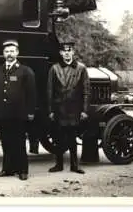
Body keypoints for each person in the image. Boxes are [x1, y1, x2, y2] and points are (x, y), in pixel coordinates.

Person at [0, 39, 37, 180]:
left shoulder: (26, 71)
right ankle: (8, 169)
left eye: (12, 51)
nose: (9, 54)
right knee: (6, 142)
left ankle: (23, 170)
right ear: (3, 54)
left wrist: (30, 112)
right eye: (6, 52)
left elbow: (32, 93)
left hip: (19, 114)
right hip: (3, 113)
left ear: (17, 52)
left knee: (19, 142)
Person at [47, 41, 90, 174]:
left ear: (73, 52)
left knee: (72, 139)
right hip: (59, 109)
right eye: (64, 51)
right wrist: (50, 110)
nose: (66, 53)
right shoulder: (54, 68)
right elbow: (49, 91)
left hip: (74, 109)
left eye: (69, 50)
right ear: (60, 53)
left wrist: (84, 110)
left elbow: (86, 91)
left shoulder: (81, 68)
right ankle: (58, 165)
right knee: (58, 139)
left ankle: (74, 165)